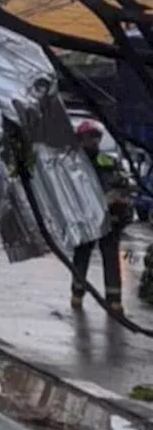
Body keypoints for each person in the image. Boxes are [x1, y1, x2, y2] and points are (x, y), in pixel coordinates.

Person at [71, 120, 131, 314]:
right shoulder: (74, 163)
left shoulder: (108, 161)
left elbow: (123, 184)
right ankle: (77, 294)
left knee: (111, 258)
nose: (92, 142)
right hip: (85, 218)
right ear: (80, 140)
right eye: (88, 138)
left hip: (109, 217)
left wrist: (117, 200)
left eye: (95, 137)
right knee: (81, 256)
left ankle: (114, 300)